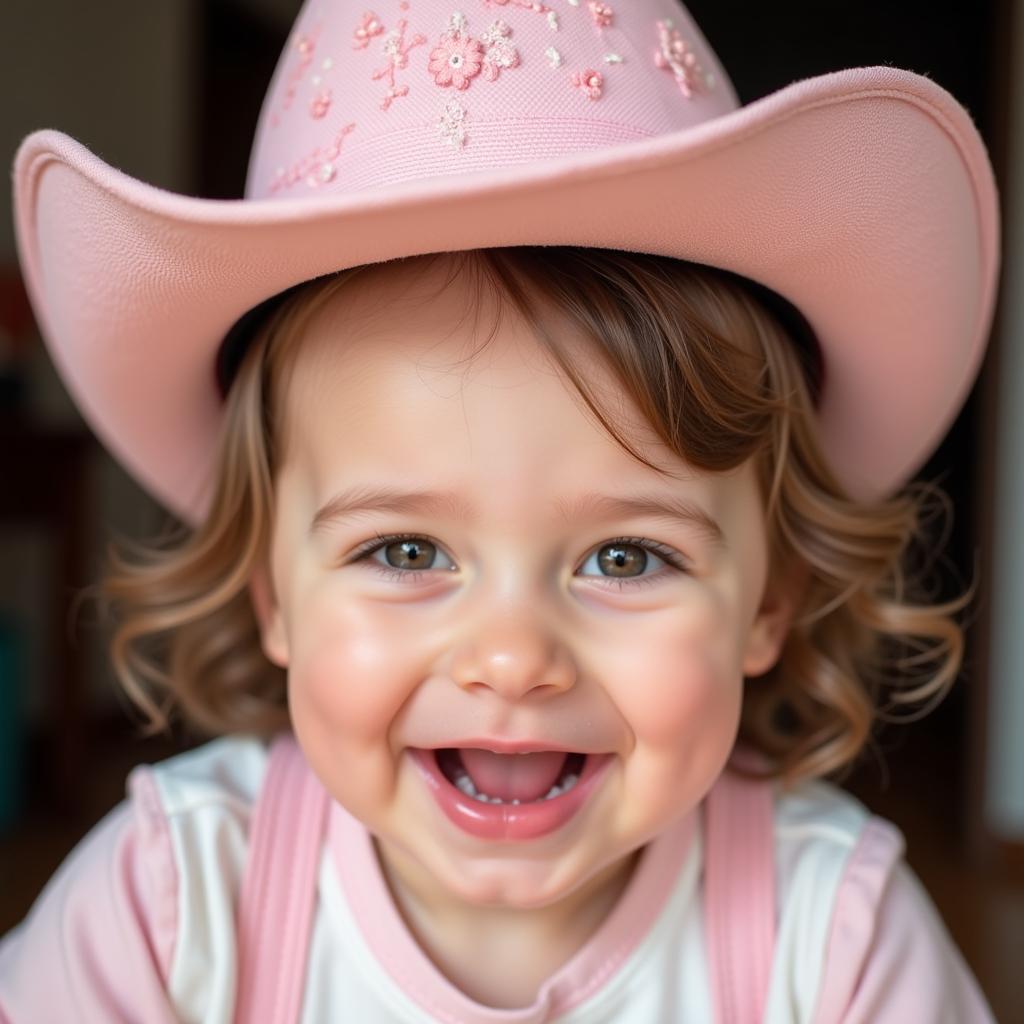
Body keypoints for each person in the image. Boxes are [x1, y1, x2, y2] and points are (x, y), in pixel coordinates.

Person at [0, 0, 1003, 1021]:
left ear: (767, 600)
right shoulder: (167, 910)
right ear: (273, 593)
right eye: (405, 547)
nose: (513, 656)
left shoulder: (831, 940)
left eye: (624, 557)